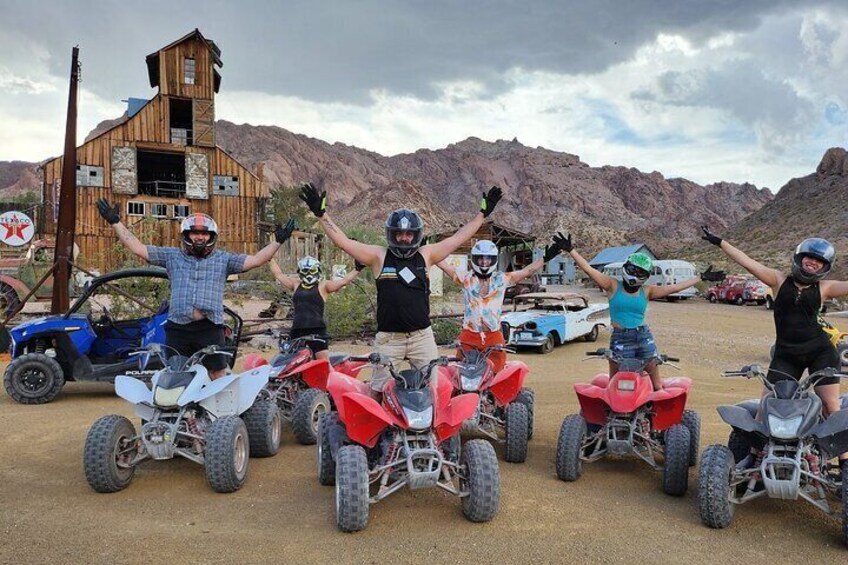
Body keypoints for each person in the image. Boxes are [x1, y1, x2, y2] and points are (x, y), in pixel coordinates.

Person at [299, 182, 503, 399]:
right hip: (389, 340)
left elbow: (457, 238)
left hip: (421, 337)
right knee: (377, 392)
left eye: (409, 234)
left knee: (432, 392)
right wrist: (321, 215)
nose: (404, 238)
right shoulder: (378, 256)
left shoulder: (426, 255)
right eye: (399, 234)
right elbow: (343, 241)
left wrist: (482, 214)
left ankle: (431, 433)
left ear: (416, 235)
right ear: (391, 234)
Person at [96, 199, 295, 379]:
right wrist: (115, 222)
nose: (199, 237)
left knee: (217, 373)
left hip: (209, 328)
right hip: (177, 329)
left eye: (204, 233)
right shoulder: (171, 256)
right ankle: (183, 418)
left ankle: (221, 416)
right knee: (176, 374)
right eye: (195, 232)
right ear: (186, 234)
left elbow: (257, 260)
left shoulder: (224, 259)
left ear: (211, 236)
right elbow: (138, 248)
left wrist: (278, 241)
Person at [701, 227, 848, 462]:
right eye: (809, 257)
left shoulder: (825, 288)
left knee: (831, 406)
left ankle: (844, 463)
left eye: (819, 261)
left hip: (820, 352)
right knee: (765, 407)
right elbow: (748, 262)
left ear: (824, 267)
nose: (813, 263)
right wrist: (721, 243)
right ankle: (755, 456)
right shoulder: (778, 281)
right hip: (786, 355)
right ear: (800, 258)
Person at [562, 233, 724, 390]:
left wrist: (700, 277)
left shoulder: (647, 291)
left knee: (656, 384)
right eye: (632, 269)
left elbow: (674, 288)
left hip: (643, 336)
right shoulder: (612, 285)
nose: (635, 275)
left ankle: (654, 416)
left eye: (640, 272)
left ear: (646, 276)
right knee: (615, 383)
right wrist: (571, 250)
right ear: (626, 268)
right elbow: (589, 270)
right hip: (620, 337)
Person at [436, 238, 561, 372]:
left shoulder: (501, 279)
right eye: (481, 258)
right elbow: (444, 265)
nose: (484, 262)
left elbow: (526, 271)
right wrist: (428, 250)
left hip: (493, 336)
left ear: (493, 260)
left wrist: (545, 258)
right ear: (475, 259)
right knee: (462, 374)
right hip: (469, 336)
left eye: (488, 258)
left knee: (497, 375)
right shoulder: (466, 278)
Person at [268, 255, 364, 359]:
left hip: (317, 330)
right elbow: (279, 275)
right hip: (297, 329)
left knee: (323, 363)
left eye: (311, 270)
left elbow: (343, 281)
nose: (308, 274)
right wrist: (270, 258)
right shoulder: (296, 284)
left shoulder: (323, 285)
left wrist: (357, 269)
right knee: (291, 362)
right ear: (300, 271)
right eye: (305, 271)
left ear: (317, 270)